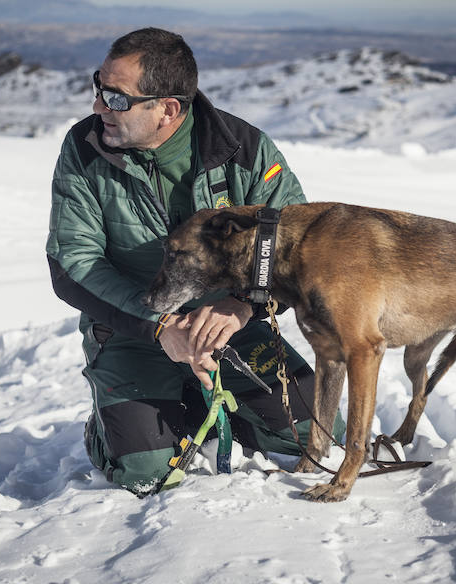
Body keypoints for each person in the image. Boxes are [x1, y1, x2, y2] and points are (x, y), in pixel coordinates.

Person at [46, 27, 343, 496]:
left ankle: (212, 405)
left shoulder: (244, 149)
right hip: (134, 330)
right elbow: (72, 262)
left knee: (320, 440)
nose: (100, 106)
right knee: (146, 472)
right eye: (98, 88)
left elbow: (298, 250)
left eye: (117, 98)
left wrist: (243, 305)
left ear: (168, 108)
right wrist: (162, 326)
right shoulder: (86, 148)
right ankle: (116, 427)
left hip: (232, 328)